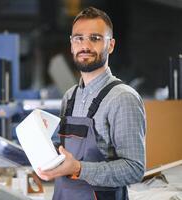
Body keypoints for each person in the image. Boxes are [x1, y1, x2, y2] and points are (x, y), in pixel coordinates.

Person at [37, 7, 146, 200]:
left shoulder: (123, 98)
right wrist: (47, 150)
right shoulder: (70, 96)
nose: (85, 45)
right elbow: (72, 154)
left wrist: (78, 168)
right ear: (71, 45)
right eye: (78, 38)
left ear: (110, 45)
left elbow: (134, 169)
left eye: (95, 38)